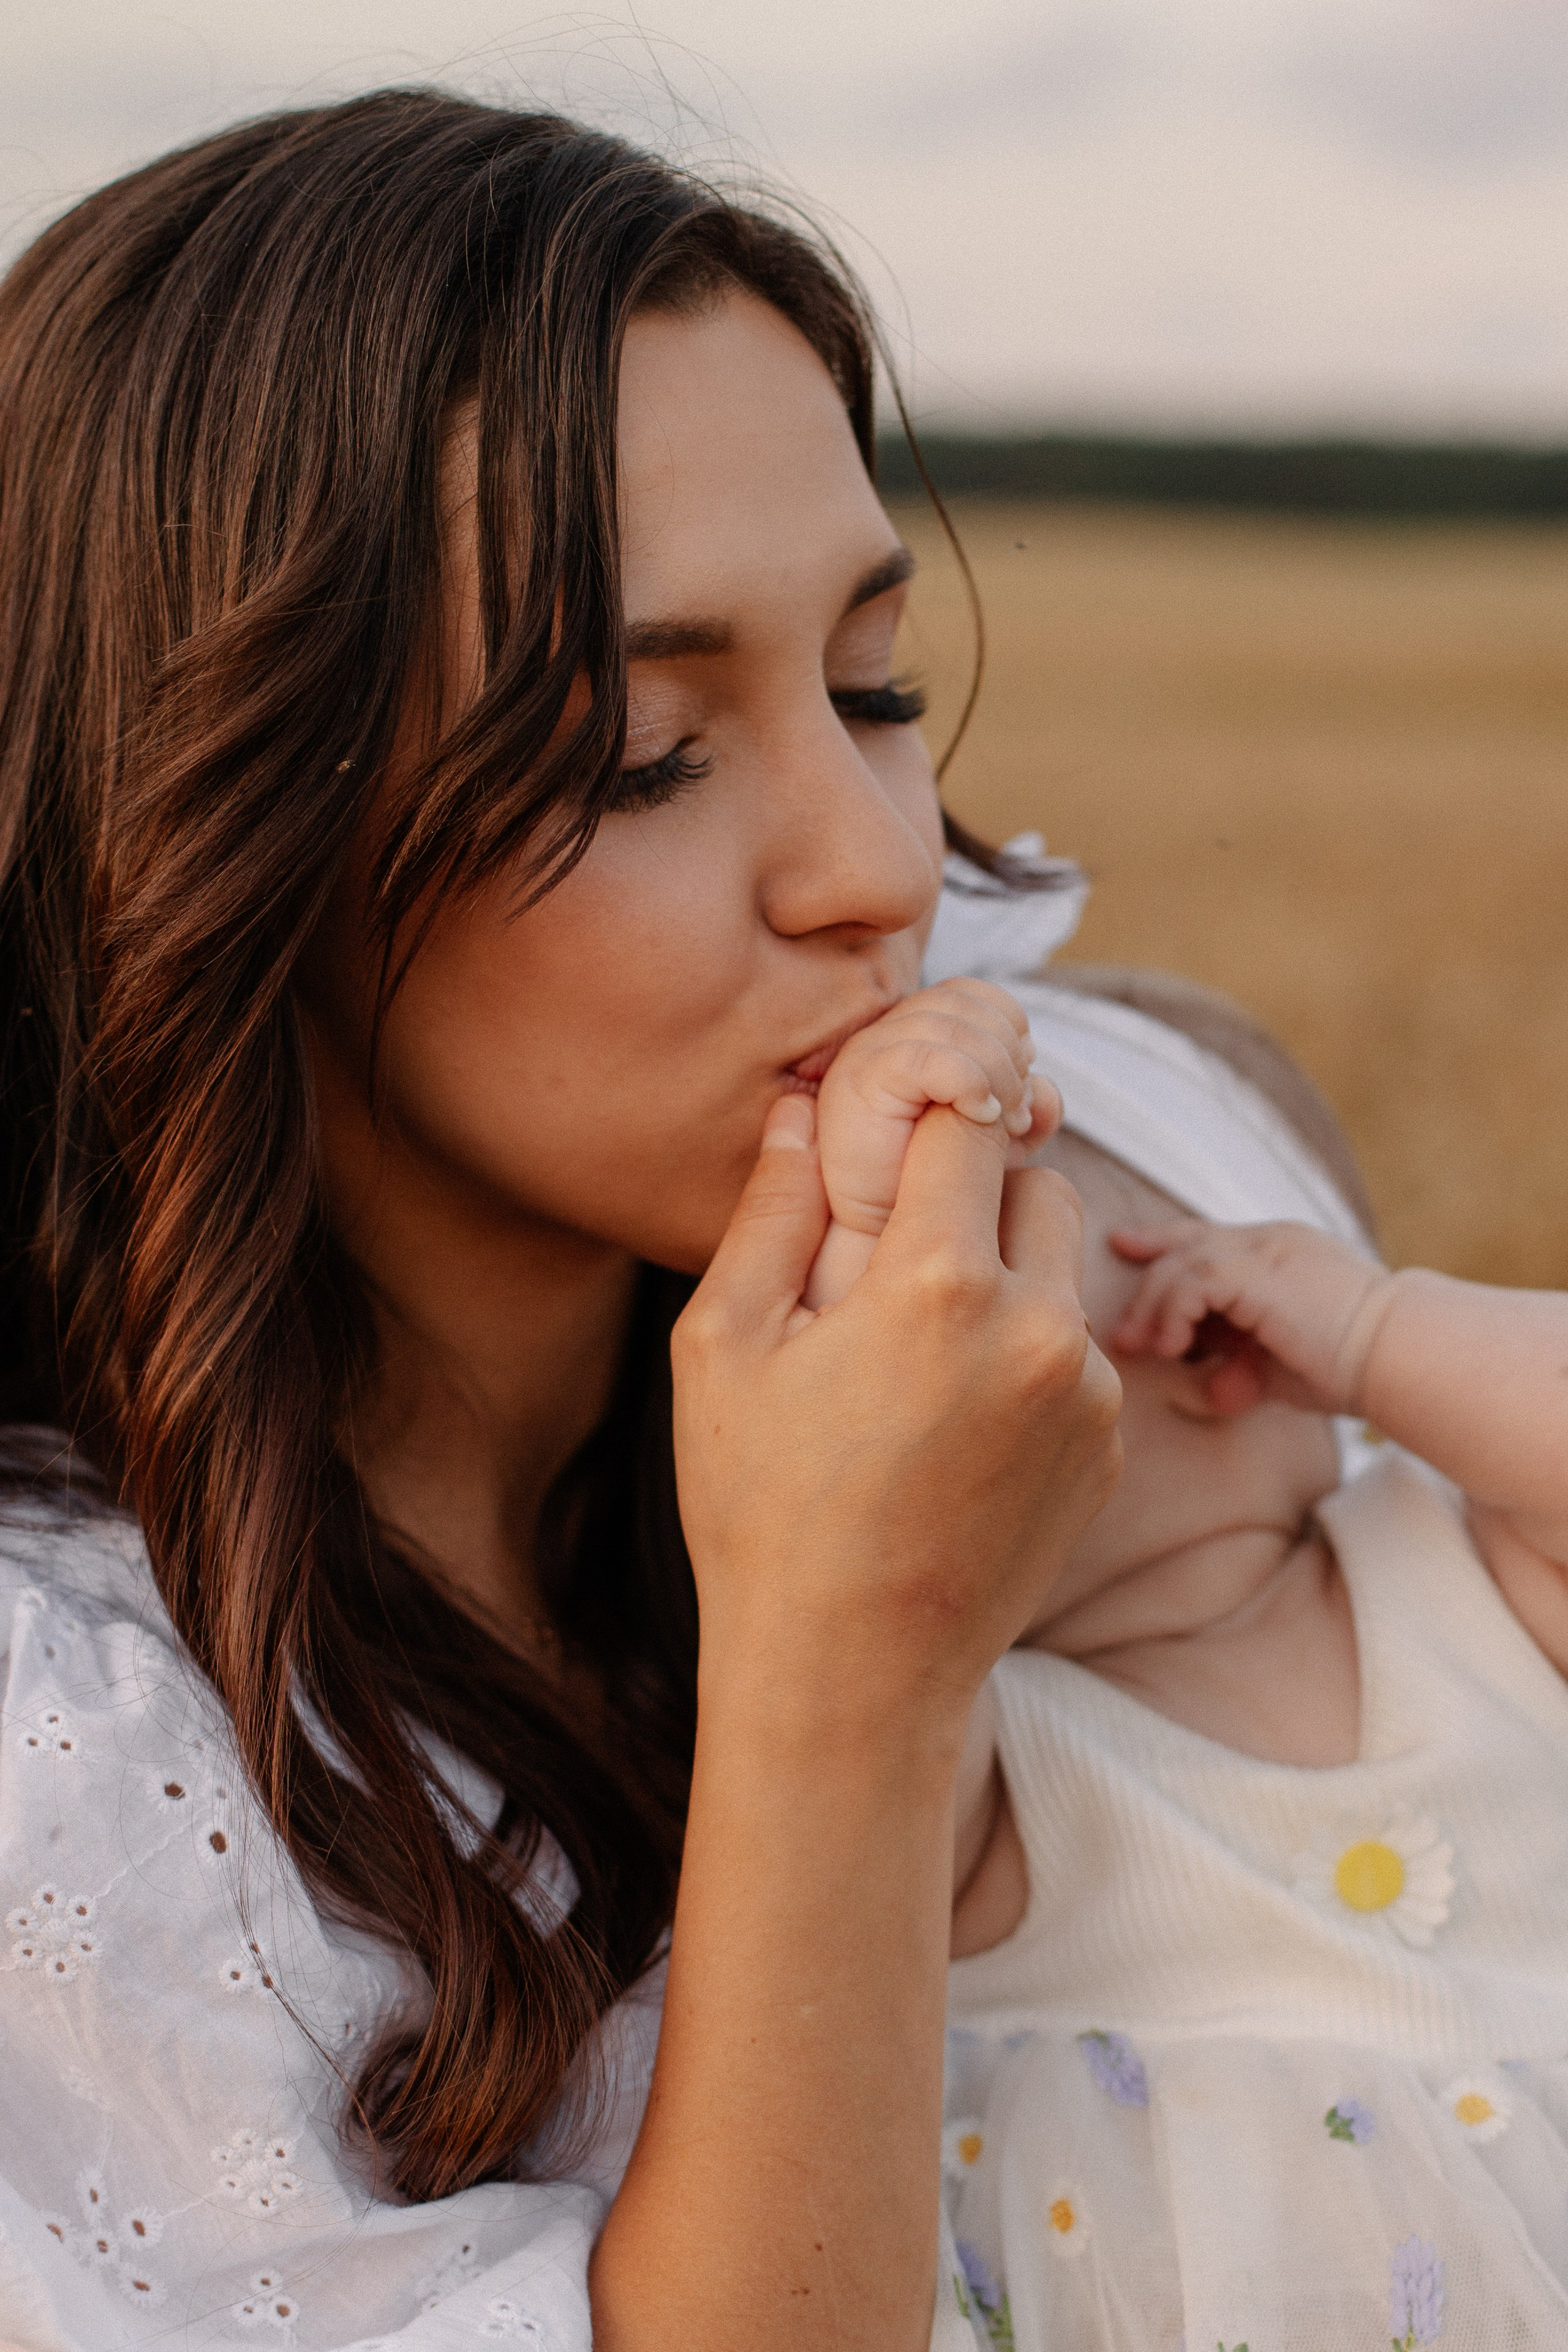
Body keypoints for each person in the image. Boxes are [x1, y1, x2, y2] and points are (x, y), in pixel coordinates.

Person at [0, 91, 1125, 2352]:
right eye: (639, 752)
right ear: (206, 847)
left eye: (877, 688)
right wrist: (854, 1664)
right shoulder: (73, 1778)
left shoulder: (1083, 1257)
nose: (880, 866)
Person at [814, 974, 1568, 2351]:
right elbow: (840, 1730)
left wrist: (1379, 1334)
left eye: (966, 1226)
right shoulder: (980, 1739)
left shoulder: (1476, 1578)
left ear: (1219, 1303)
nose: (893, 1312)